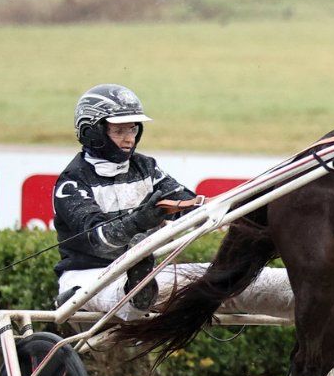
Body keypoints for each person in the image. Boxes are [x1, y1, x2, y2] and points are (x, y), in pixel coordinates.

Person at [52, 84, 291, 319]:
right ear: (92, 132)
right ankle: (138, 293)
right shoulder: (72, 183)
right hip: (88, 280)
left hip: (152, 273)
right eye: (119, 131)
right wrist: (138, 222)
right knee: (133, 290)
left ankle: (302, 292)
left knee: (234, 279)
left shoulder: (146, 167)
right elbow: (100, 240)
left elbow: (189, 207)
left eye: (133, 129)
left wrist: (239, 208)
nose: (129, 140)